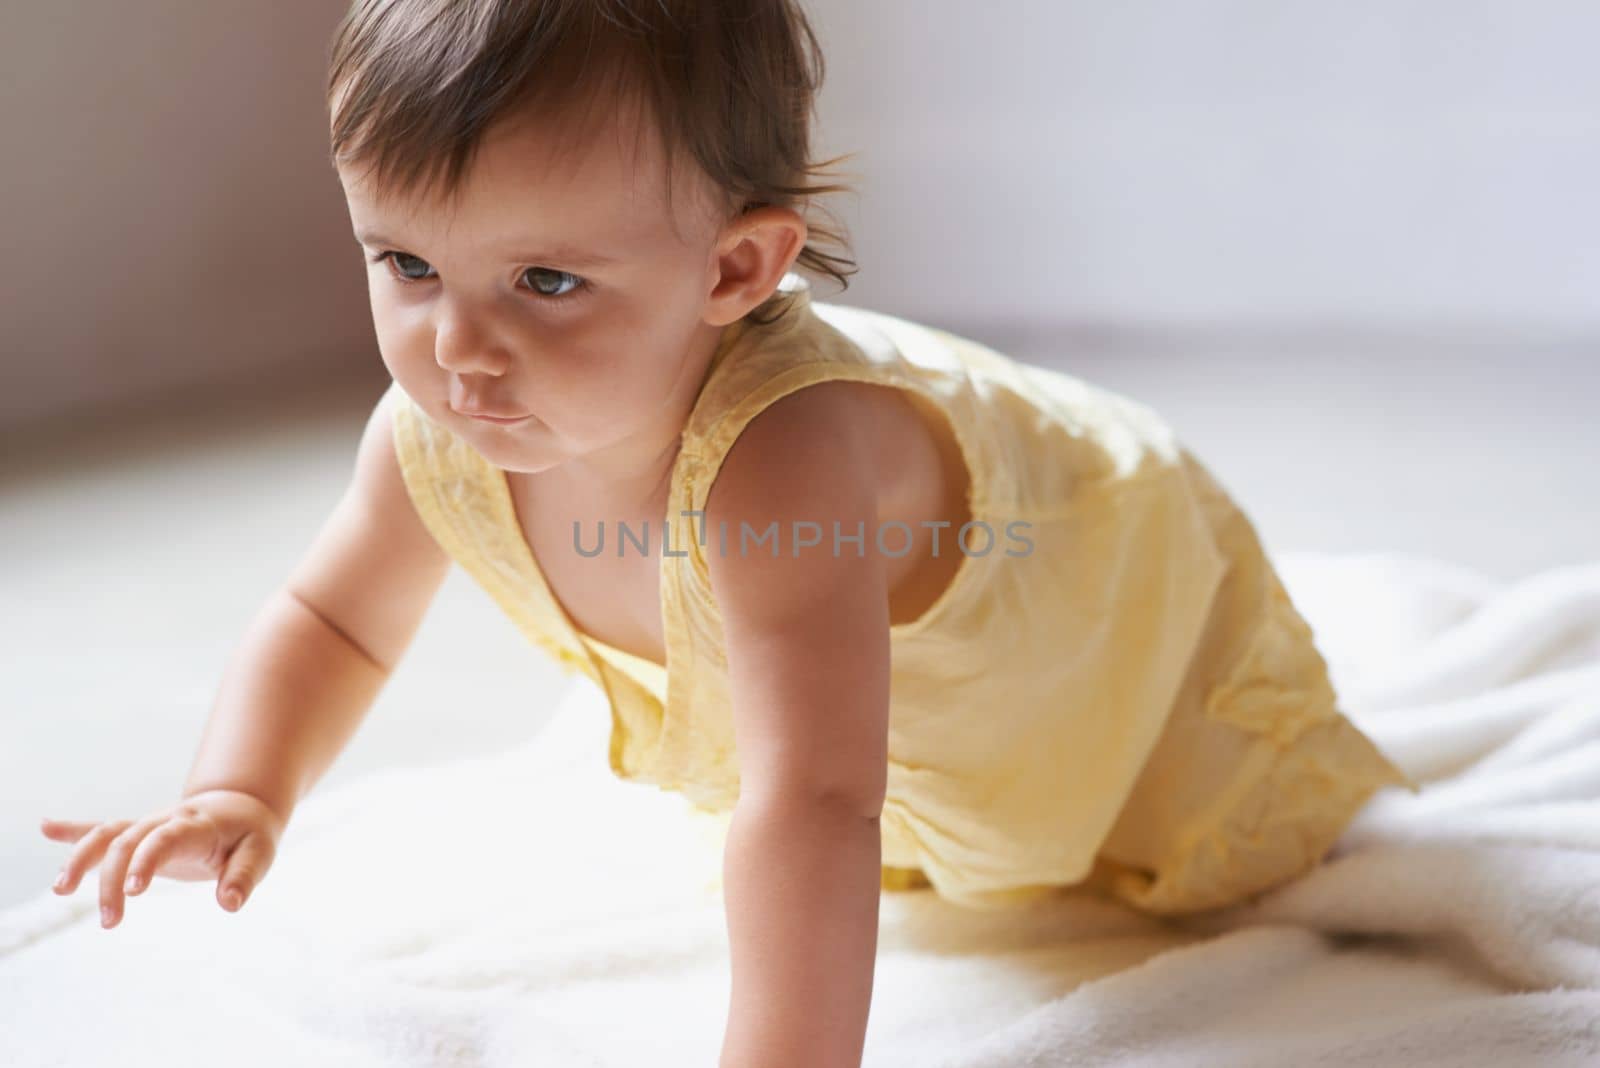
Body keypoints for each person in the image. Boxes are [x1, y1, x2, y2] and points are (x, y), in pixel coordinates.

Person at [39, 3, 1420, 1065]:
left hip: (1101, 582)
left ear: (736, 269)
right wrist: (241, 789)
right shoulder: (436, 438)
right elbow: (330, 618)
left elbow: (816, 801)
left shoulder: (784, 471)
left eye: (546, 280)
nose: (458, 346)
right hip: (894, 679)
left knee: (1203, 835)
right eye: (404, 262)